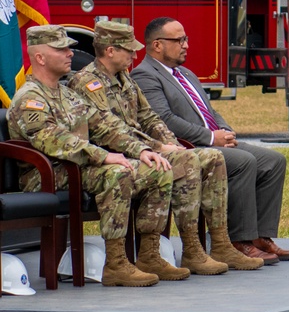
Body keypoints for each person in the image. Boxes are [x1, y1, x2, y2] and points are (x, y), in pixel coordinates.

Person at [68, 21, 247, 274]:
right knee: (173, 164)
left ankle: (211, 245)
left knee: (211, 158)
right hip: (113, 156)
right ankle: (151, 254)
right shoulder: (88, 83)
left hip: (140, 150)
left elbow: (150, 117)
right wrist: (156, 147)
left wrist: (172, 145)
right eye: (128, 50)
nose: (134, 55)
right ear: (110, 51)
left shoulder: (125, 79)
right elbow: (107, 129)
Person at [6, 25, 173, 287]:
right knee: (116, 173)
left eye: (68, 48)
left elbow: (105, 126)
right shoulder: (30, 99)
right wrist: (104, 157)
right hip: (47, 174)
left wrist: (142, 150)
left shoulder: (68, 94)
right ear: (40, 58)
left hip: (79, 169)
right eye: (61, 49)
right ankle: (116, 264)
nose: (70, 53)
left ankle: (149, 254)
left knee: (158, 170)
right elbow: (56, 141)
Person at [131, 17, 289, 265]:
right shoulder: (145, 75)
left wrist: (225, 130)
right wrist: (210, 137)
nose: (186, 45)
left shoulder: (184, 73)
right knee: (243, 161)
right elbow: (164, 120)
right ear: (157, 45)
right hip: (186, 147)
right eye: (179, 40)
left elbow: (208, 109)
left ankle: (261, 236)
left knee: (274, 160)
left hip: (213, 141)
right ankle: (238, 241)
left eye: (185, 39)